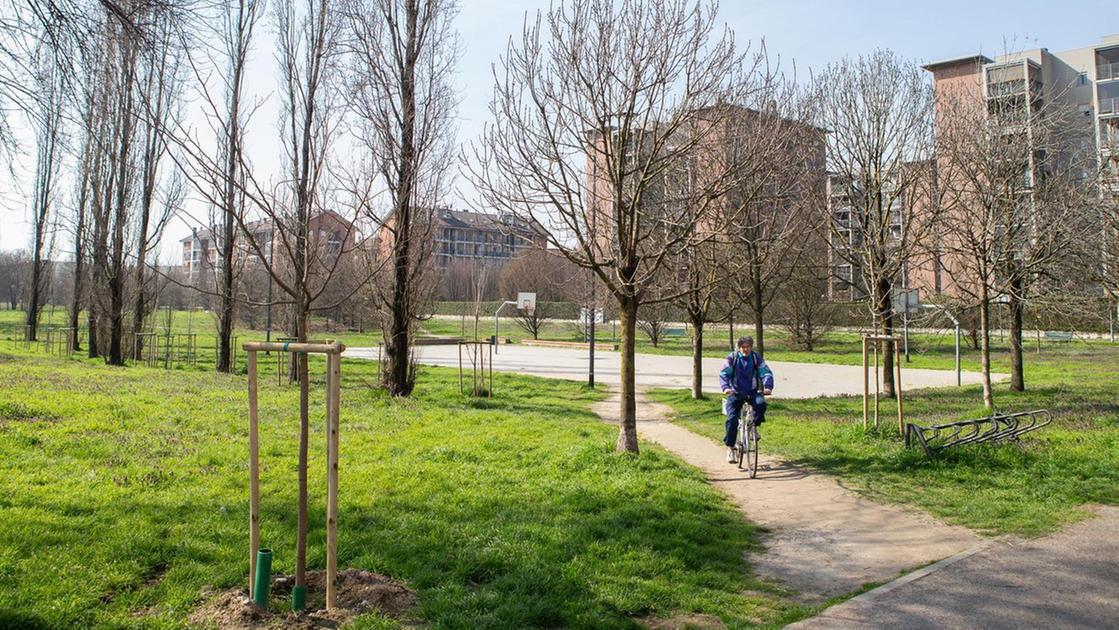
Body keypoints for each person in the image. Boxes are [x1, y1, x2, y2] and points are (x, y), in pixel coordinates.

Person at [719, 336, 774, 463]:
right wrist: (726, 387)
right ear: (739, 348)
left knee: (761, 405)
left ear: (751, 347)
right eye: (743, 347)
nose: (746, 349)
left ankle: (752, 427)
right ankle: (731, 448)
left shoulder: (756, 357)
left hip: (752, 392)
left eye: (748, 346)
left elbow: (765, 372)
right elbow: (724, 373)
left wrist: (768, 386)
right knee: (732, 419)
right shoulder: (732, 358)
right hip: (735, 393)